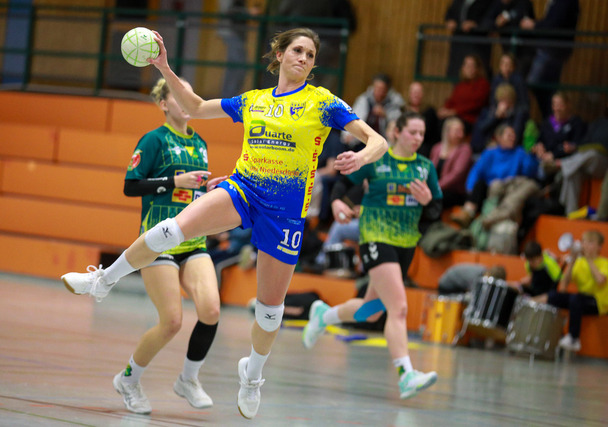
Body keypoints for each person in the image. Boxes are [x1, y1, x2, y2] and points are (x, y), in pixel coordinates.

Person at [61, 27, 388, 420]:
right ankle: (103, 280)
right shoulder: (254, 100)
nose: (304, 58)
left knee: (270, 312)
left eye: (310, 55)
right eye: (297, 50)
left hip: (284, 213)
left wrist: (361, 157)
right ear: (280, 55)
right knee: (172, 229)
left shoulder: (322, 102)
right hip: (243, 188)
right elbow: (197, 107)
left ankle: (252, 375)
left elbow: (377, 140)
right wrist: (163, 66)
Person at [88, 77, 223, 415]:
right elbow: (131, 187)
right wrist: (173, 181)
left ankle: (188, 379)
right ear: (164, 104)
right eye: (177, 95)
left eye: (189, 93)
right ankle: (128, 380)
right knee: (172, 321)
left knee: (211, 310)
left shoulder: (200, 142)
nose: (185, 99)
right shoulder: (153, 140)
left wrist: (208, 191)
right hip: (157, 240)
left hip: (192, 240)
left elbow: (193, 191)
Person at [302, 112, 442, 399]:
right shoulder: (378, 159)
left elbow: (435, 211)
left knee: (372, 310)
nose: (418, 138)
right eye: (412, 132)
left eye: (422, 133)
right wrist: (338, 202)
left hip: (406, 243)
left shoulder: (425, 167)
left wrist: (428, 202)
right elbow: (343, 184)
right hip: (376, 237)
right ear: (397, 132)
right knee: (398, 308)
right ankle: (406, 375)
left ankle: (324, 315)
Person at [552, 89, 608, 215]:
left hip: (607, 165)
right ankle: (570, 213)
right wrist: (574, 147)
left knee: (592, 153)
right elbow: (584, 143)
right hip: (586, 163)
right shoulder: (599, 122)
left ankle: (562, 164)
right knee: (573, 173)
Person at [534, 230, 608, 352]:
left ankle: (573, 338)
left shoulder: (604, 263)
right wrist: (573, 261)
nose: (585, 245)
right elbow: (563, 286)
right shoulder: (579, 262)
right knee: (553, 296)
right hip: (580, 299)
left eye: (590, 242)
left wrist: (588, 258)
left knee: (576, 299)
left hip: (598, 302)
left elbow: (600, 280)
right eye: (584, 241)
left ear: (599, 247)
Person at [451, 124, 539, 228]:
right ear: (499, 138)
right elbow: (476, 171)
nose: (512, 138)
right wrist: (470, 189)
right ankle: (467, 213)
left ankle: (485, 219)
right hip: (490, 188)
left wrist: (531, 156)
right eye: (509, 135)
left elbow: (529, 172)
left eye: (513, 135)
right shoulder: (490, 153)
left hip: (508, 189)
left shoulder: (520, 152)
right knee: (479, 184)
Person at [520, 0, 580, 118]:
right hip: (552, 49)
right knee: (545, 89)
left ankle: (540, 120)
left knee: (532, 85)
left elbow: (554, 24)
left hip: (553, 50)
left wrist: (534, 25)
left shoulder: (564, 3)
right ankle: (550, 121)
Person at [343, 73, 404, 146]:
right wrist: (349, 134)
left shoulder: (393, 102)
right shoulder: (364, 100)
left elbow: (398, 123)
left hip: (384, 142)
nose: (379, 92)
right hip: (362, 140)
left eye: (382, 89)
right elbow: (353, 117)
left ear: (387, 90)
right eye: (376, 88)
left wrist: (385, 115)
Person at [217, 0, 261, 98]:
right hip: (231, 31)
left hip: (234, 31)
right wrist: (247, 12)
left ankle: (229, 97)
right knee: (238, 66)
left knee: (236, 66)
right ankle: (228, 98)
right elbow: (228, 11)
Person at [438, 54, 491, 134]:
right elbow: (452, 101)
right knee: (432, 116)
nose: (469, 68)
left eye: (471, 66)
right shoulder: (460, 86)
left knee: (445, 124)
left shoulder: (483, 84)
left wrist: (454, 112)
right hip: (454, 116)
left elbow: (475, 104)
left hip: (469, 120)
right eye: (466, 65)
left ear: (477, 69)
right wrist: (444, 109)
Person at [471, 82, 529, 153]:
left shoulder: (519, 114)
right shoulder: (490, 111)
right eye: (502, 99)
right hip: (489, 146)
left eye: (507, 99)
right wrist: (496, 117)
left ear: (512, 100)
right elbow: (481, 130)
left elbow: (515, 135)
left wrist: (498, 145)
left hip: (509, 149)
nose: (505, 103)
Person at [532, 91, 585, 164]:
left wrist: (554, 155)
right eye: (555, 105)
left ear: (568, 105)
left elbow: (576, 145)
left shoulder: (575, 123)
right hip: (543, 158)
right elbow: (539, 140)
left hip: (564, 162)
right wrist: (538, 147)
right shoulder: (546, 123)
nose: (557, 109)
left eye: (561, 105)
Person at [430, 117, 473, 208]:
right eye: (457, 131)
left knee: (431, 199)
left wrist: (435, 187)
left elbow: (456, 174)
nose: (461, 134)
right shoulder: (437, 148)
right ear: (447, 131)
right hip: (436, 188)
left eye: (462, 131)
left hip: (454, 192)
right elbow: (429, 170)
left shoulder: (465, 149)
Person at [444, 0, 493, 79]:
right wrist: (450, 21)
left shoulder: (487, 2)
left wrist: (476, 25)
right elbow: (450, 13)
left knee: (476, 74)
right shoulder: (458, 1)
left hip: (477, 44)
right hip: (459, 43)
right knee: (457, 72)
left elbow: (490, 19)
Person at [404, 81, 440, 158]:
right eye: (414, 92)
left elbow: (429, 134)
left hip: (424, 146)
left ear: (422, 94)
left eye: (418, 92)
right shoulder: (403, 110)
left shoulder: (429, 111)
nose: (416, 94)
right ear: (409, 94)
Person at [438, 263, 506, 295]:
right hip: (448, 286)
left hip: (457, 285)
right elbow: (474, 294)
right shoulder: (475, 276)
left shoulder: (483, 272)